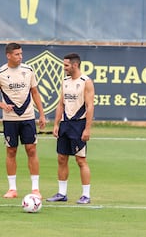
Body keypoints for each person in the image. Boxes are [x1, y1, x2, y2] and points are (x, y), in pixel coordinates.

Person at [0, 42, 46, 199]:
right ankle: (12, 188)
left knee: (31, 150)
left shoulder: (28, 70)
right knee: (11, 151)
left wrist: (41, 114)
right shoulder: (0, 73)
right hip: (10, 120)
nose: (20, 57)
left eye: (21, 54)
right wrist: (2, 105)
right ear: (8, 55)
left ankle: (35, 189)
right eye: (17, 54)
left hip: (28, 117)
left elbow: (35, 92)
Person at [46, 53, 95, 204]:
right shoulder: (65, 81)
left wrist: (87, 129)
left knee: (81, 160)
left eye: (66, 65)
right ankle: (62, 193)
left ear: (75, 65)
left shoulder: (86, 82)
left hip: (78, 125)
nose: (64, 68)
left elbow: (90, 106)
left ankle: (86, 195)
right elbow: (61, 104)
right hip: (65, 124)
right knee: (61, 158)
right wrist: (56, 124)